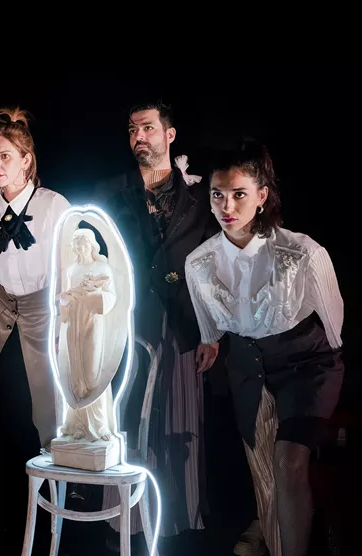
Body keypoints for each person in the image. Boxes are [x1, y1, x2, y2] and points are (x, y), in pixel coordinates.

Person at [185, 142, 344, 556]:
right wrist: (210, 344)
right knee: (263, 468)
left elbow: (334, 329)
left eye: (239, 194)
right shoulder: (199, 263)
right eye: (217, 194)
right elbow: (209, 330)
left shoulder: (302, 252)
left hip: (305, 364)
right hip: (247, 365)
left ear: (262, 196)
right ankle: (272, 534)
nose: (227, 206)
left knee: (288, 461)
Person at [94, 100, 219, 545]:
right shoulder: (112, 193)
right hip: (130, 323)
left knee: (180, 421)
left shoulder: (200, 197)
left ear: (169, 134)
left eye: (147, 128)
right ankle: (126, 520)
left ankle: (177, 518)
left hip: (183, 322)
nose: (138, 137)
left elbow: (212, 268)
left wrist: (211, 331)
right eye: (132, 130)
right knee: (129, 418)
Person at [0, 106, 70, 452]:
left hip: (45, 315)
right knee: (6, 404)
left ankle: (57, 477)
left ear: (26, 160)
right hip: (3, 317)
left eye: (5, 156)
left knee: (49, 406)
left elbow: (67, 273)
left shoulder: (53, 206)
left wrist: (64, 330)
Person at [57, 228, 118, 442]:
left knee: (93, 373)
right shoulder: (72, 270)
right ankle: (78, 425)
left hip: (93, 321)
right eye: (76, 244)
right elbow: (66, 297)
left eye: (82, 243)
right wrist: (65, 300)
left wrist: (94, 293)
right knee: (76, 372)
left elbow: (111, 297)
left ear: (92, 245)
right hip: (74, 323)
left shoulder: (102, 267)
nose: (79, 247)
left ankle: (99, 425)